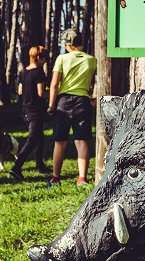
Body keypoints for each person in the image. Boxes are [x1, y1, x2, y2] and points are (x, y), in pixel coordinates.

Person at [47, 29, 97, 187]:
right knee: (81, 141)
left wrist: (51, 105)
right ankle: (82, 178)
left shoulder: (62, 58)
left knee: (60, 141)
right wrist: (93, 99)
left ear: (68, 45)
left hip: (64, 100)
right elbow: (98, 81)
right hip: (82, 101)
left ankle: (55, 178)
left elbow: (54, 84)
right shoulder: (92, 60)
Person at [9, 46, 51, 181]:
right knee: (33, 139)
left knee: (40, 137)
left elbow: (20, 91)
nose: (45, 61)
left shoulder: (23, 72)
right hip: (35, 111)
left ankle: (40, 165)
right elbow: (41, 93)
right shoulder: (39, 73)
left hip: (25, 110)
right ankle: (17, 167)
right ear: (38, 58)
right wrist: (54, 94)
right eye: (44, 59)